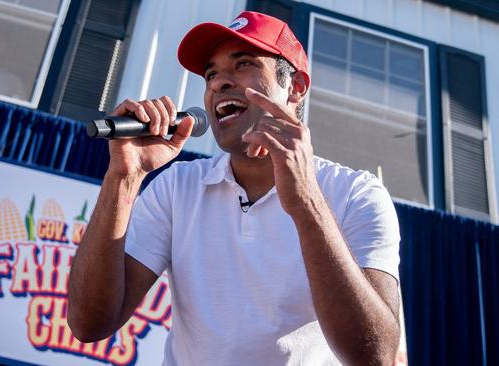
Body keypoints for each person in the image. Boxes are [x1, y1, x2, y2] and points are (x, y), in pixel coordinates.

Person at [68, 11, 401, 365]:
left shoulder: (358, 195)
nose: (218, 83)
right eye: (210, 73)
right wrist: (124, 176)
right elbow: (89, 325)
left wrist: (306, 202)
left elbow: (374, 357)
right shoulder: (177, 188)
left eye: (243, 64)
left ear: (296, 88)